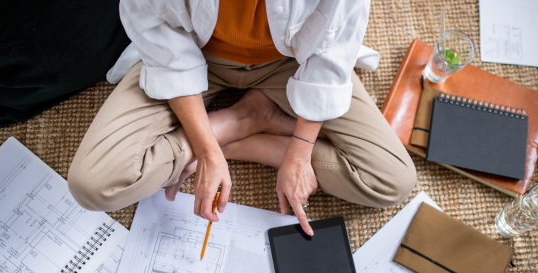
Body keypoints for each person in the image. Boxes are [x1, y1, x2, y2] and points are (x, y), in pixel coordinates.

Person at [68, 0, 416, 236]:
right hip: (194, 54)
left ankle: (243, 124)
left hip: (292, 62)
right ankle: (240, 120)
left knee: (391, 181)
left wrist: (300, 150)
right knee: (94, 186)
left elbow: (330, 52)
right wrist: (207, 150)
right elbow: (164, 42)